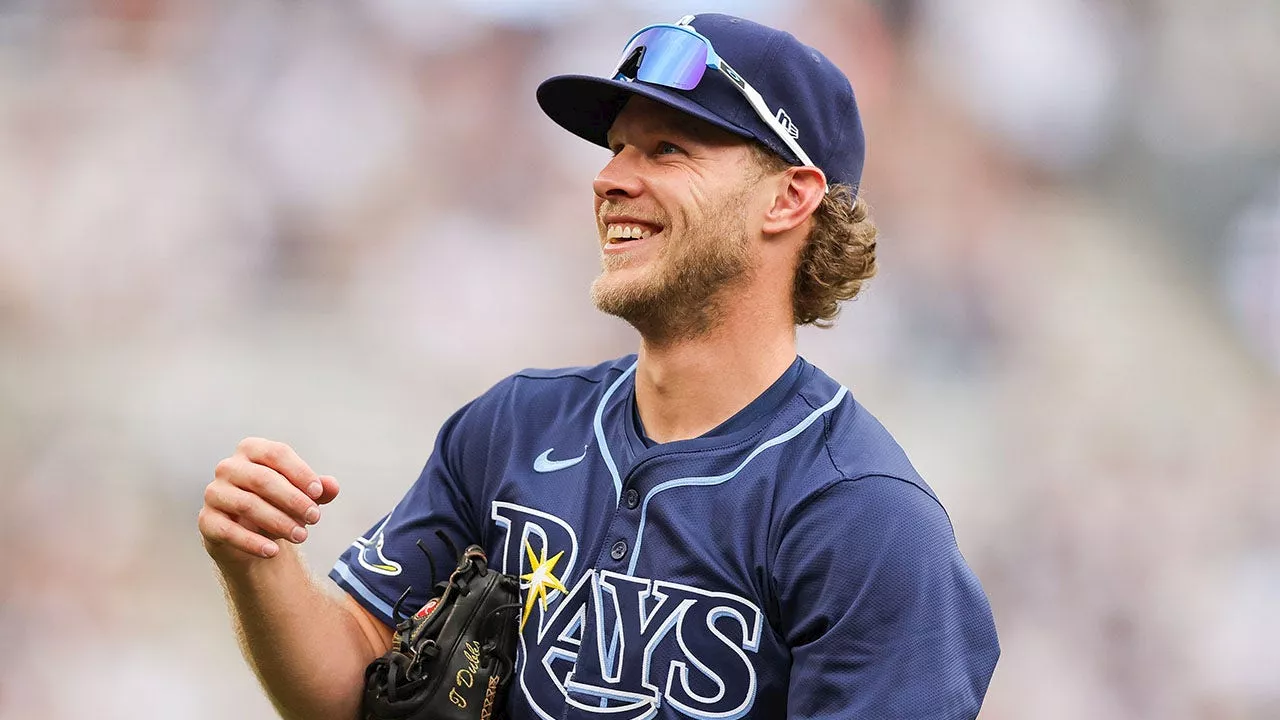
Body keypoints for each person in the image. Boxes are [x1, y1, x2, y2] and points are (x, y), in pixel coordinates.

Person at [198, 13, 999, 720]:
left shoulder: (866, 521)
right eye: (616, 147)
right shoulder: (511, 428)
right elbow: (349, 682)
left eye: (667, 149)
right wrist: (257, 565)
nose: (610, 178)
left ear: (789, 199)